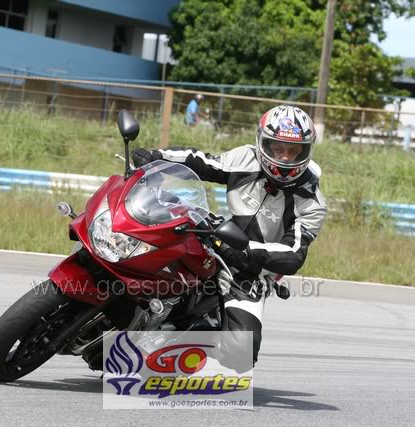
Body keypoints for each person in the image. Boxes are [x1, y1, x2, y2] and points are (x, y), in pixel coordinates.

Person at [132, 105, 328, 370]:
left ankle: (185, 341)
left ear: (306, 151)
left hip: (249, 273)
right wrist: (157, 157)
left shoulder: (312, 202)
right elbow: (202, 162)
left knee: (241, 354)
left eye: (294, 151)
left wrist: (244, 250)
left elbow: (293, 254)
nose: (284, 157)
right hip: (213, 239)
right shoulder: (246, 158)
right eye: (277, 148)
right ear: (264, 143)